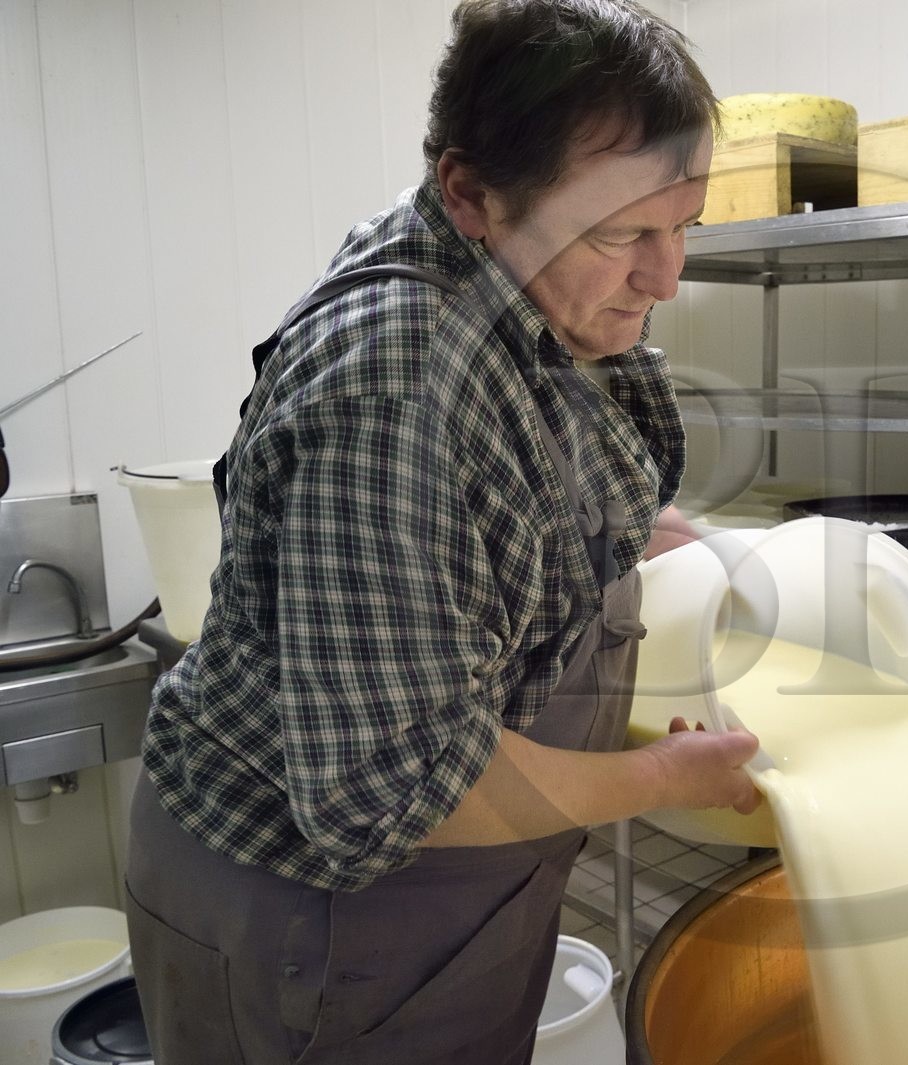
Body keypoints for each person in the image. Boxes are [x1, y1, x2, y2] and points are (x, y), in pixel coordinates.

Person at [124, 2, 759, 1062]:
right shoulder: (396, 383)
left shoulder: (504, 278)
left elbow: (525, 465)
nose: (667, 275)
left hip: (457, 887)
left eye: (683, 221)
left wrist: (676, 542)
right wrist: (663, 783)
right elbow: (399, 784)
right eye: (622, 237)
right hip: (325, 921)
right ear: (470, 191)